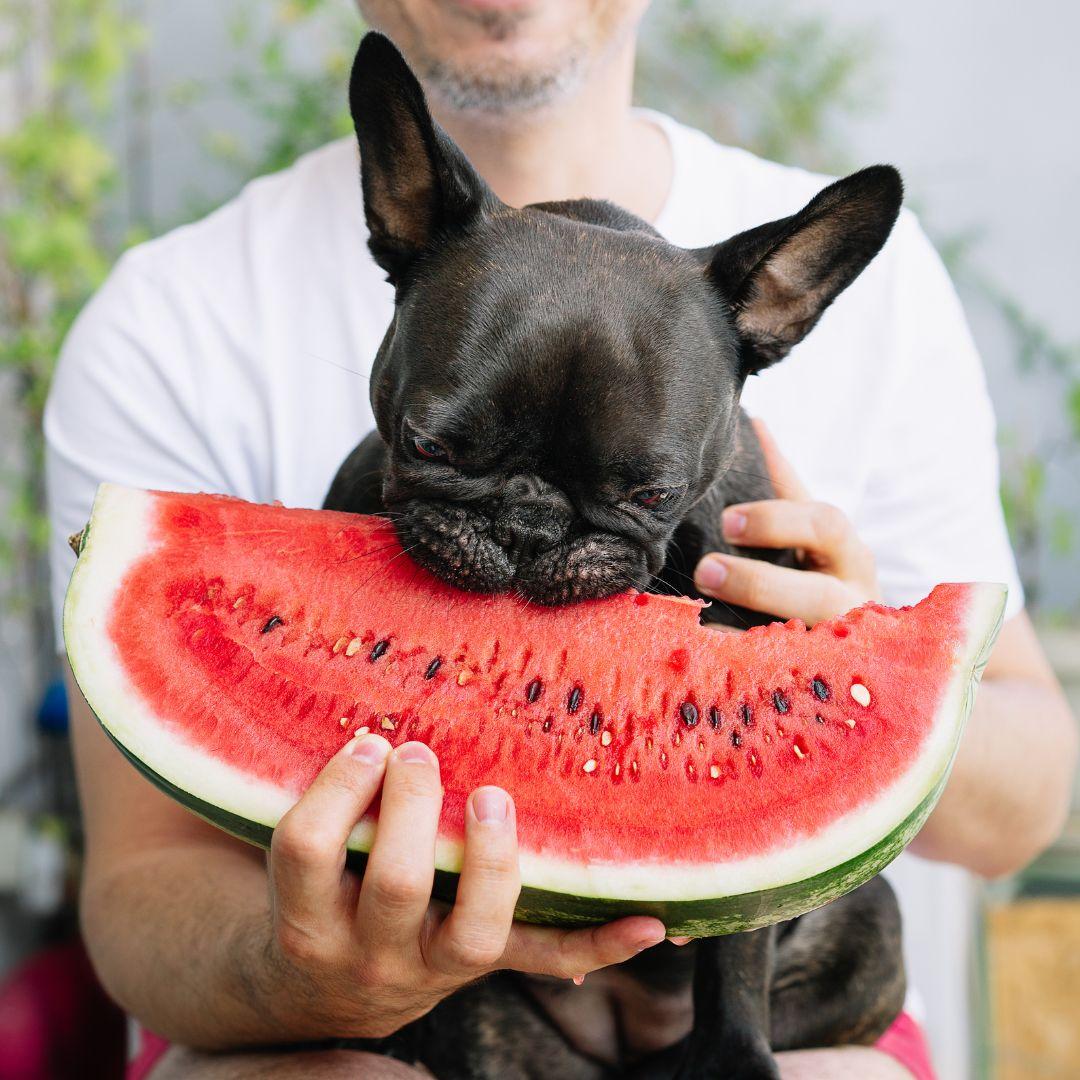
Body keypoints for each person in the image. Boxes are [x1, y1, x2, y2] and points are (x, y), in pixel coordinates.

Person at [45, 2, 1076, 1078]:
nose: (532, 536)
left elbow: (1024, 804)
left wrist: (858, 678)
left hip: (766, 1007)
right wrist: (312, 965)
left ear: (776, 319)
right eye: (444, 452)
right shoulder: (167, 318)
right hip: (380, 1014)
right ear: (396, 221)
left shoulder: (890, 295)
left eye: (635, 493)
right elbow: (138, 883)